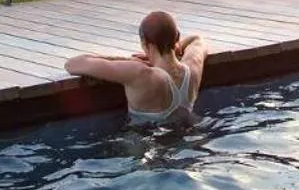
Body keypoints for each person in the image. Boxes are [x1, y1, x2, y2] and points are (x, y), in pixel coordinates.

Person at [63, 10, 207, 125]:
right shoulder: (193, 67)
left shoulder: (138, 73)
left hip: (144, 144)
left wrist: (127, 59)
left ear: (144, 44)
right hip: (188, 133)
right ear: (177, 38)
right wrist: (174, 48)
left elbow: (73, 64)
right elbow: (197, 39)